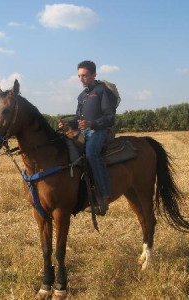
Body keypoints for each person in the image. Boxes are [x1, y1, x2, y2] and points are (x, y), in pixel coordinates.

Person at [59, 60, 118, 215]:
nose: (81, 79)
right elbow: (78, 119)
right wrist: (67, 124)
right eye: (79, 76)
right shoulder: (82, 95)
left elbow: (109, 117)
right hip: (83, 132)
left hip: (99, 131)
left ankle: (104, 196)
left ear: (94, 74)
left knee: (92, 154)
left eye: (84, 75)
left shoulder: (102, 91)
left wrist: (92, 123)